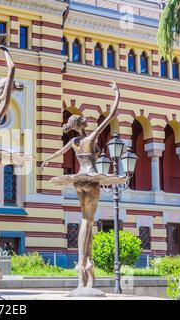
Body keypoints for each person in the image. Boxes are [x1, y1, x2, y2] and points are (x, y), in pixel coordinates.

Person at [40, 82, 121, 289]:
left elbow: (59, 153)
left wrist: (46, 160)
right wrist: (116, 93)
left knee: (86, 220)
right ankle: (82, 262)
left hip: (78, 181)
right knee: (87, 221)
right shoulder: (90, 137)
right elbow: (111, 115)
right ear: (83, 124)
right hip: (92, 179)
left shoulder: (74, 141)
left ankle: (86, 266)